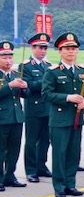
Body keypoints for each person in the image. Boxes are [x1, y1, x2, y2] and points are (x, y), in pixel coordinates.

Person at [42, 32, 84, 197]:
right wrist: (68, 98)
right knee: (60, 153)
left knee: (73, 152)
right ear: (60, 51)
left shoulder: (82, 71)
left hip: (77, 118)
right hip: (60, 119)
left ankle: (71, 184)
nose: (71, 52)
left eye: (74, 49)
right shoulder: (53, 72)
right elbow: (46, 94)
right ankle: (60, 186)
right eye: (67, 49)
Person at [19, 33, 52, 183]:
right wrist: (44, 82)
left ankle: (41, 166)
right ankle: (31, 170)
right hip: (34, 108)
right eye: (40, 48)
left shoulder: (49, 66)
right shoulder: (25, 66)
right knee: (32, 140)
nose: (43, 51)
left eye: (45, 48)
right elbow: (28, 86)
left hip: (48, 107)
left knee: (46, 139)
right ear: (33, 48)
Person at [0, 41, 28, 191]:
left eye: (10, 57)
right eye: (4, 57)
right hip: (2, 118)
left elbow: (25, 95)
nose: (8, 60)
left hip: (17, 117)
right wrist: (9, 85)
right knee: (1, 150)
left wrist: (24, 87)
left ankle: (10, 176)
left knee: (14, 149)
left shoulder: (16, 74)